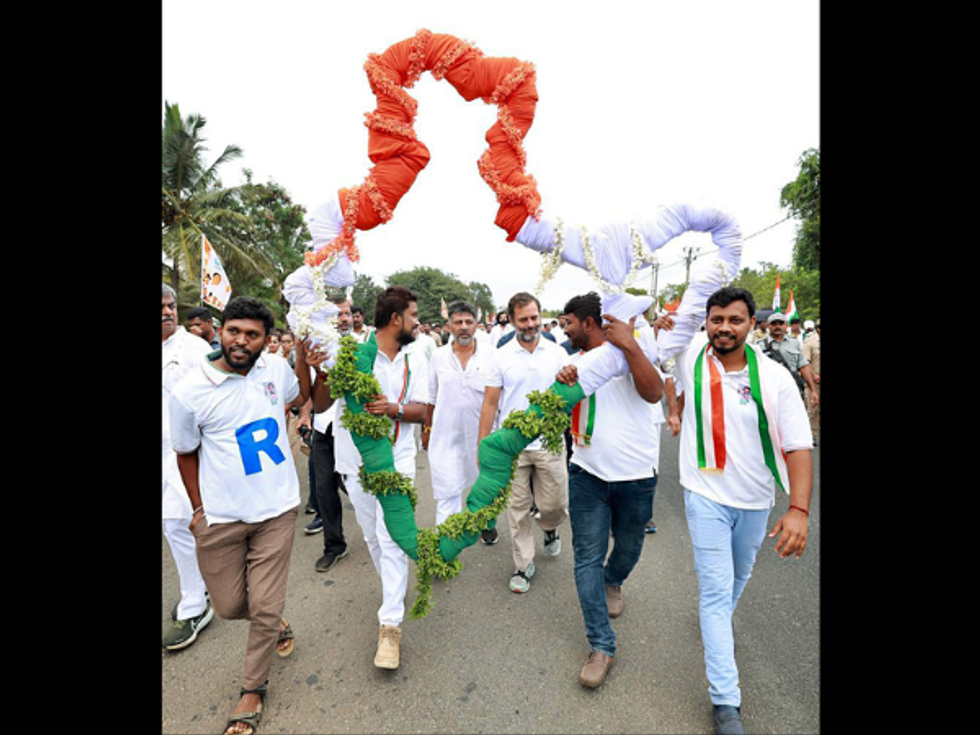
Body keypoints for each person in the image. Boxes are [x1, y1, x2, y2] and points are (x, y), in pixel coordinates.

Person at [169, 295, 328, 735]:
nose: (241, 341)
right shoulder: (188, 392)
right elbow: (185, 455)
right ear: (220, 331)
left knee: (261, 606)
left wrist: (312, 364)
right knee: (229, 606)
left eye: (252, 334)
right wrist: (199, 510)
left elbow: (303, 398)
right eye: (234, 331)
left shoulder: (274, 368)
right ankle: (273, 618)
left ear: (264, 340)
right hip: (221, 518)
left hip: (277, 509)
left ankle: (252, 690)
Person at [668, 287, 813, 734]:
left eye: (734, 320)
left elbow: (798, 446)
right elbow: (653, 349)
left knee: (737, 579)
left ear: (752, 324)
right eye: (716, 320)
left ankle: (716, 626)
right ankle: (726, 701)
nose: (724, 328)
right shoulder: (689, 354)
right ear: (706, 323)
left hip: (754, 500)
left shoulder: (773, 378)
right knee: (714, 594)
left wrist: (799, 510)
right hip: (703, 494)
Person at [554, 292, 663, 688]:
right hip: (587, 474)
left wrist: (630, 345)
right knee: (586, 558)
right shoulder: (575, 362)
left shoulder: (636, 350)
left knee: (630, 548)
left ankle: (613, 580)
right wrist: (564, 382)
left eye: (570, 323)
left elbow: (653, 393)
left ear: (591, 323)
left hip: (636, 476)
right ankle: (601, 646)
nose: (564, 329)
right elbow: (559, 408)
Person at [327, 286, 430, 669]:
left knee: (392, 539)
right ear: (394, 319)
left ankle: (390, 627)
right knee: (372, 536)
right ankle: (394, 590)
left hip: (398, 459)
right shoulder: (352, 353)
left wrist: (393, 409)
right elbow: (323, 402)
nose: (417, 321)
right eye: (413, 315)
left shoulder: (416, 357)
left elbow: (422, 411)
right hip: (354, 462)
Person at [479, 292, 572, 592]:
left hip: (550, 443)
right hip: (512, 446)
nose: (531, 324)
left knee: (555, 503)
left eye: (535, 318)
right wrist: (484, 445)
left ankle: (549, 528)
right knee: (517, 508)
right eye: (524, 319)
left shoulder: (557, 352)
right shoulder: (501, 356)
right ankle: (523, 565)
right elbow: (491, 403)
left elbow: (570, 392)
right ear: (512, 321)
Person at [161, 284, 215, 650]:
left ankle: (197, 603)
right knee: (173, 525)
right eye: (160, 306)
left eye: (170, 305)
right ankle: (203, 589)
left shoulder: (194, 348)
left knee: (178, 522)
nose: (167, 311)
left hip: (187, 451)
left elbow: (213, 395)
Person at [422, 301, 491, 525]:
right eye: (458, 322)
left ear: (476, 326)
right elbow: (430, 397)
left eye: (468, 322)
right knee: (447, 494)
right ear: (449, 326)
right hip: (446, 436)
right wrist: (427, 429)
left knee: (485, 490)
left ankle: (485, 523)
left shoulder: (491, 356)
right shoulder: (438, 357)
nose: (464, 327)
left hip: (481, 437)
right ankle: (446, 551)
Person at [308, 297, 354, 559]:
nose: (343, 319)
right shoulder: (312, 346)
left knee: (358, 485)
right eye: (337, 315)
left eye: (347, 313)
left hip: (350, 429)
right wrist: (306, 416)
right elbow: (306, 391)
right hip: (323, 427)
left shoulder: (362, 346)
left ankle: (383, 532)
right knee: (325, 489)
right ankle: (334, 546)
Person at [761, 313, 819, 407]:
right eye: (774, 324)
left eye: (781, 323)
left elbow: (803, 367)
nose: (777, 326)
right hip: (770, 391)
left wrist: (813, 390)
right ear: (768, 325)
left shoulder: (794, 343)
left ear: (786, 325)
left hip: (793, 388)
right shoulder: (760, 345)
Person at [801, 319, 820, 444]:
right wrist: (814, 375)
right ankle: (811, 434)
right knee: (813, 408)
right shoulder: (810, 342)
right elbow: (805, 362)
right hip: (814, 381)